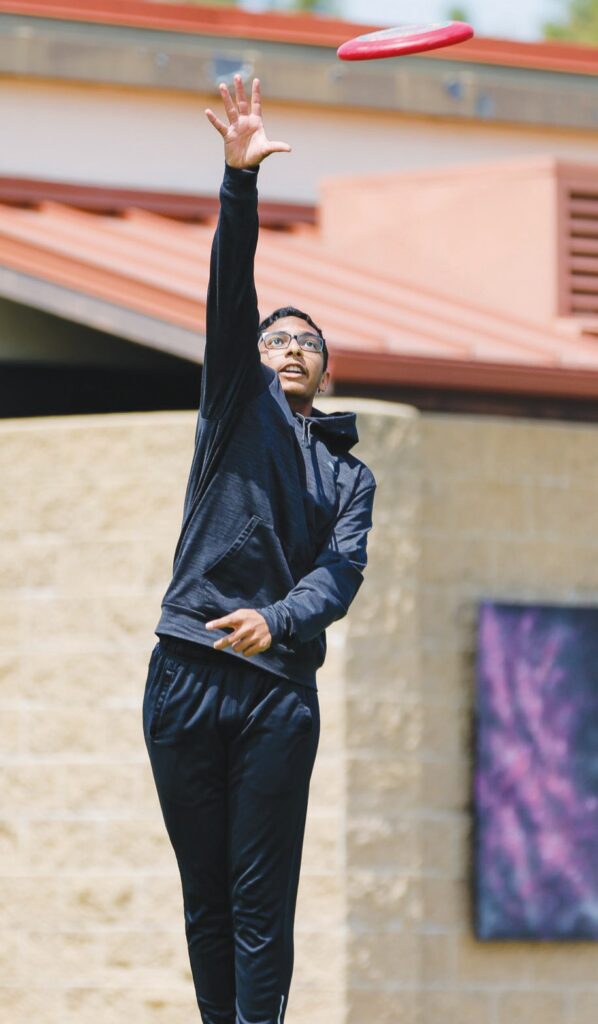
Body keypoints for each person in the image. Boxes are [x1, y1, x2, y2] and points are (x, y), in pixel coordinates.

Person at [142, 75, 376, 1024]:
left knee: (258, 902)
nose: (288, 344)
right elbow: (230, 295)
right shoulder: (233, 408)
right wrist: (238, 185)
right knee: (203, 897)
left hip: (278, 689)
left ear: (325, 370)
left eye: (307, 340)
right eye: (275, 335)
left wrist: (274, 621)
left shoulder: (350, 478)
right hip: (184, 671)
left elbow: (341, 573)